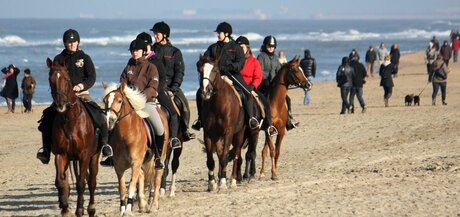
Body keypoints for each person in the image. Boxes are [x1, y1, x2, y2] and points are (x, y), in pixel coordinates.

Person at [37, 29, 109, 165]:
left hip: (82, 94)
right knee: (46, 119)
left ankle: (105, 146)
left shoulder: (85, 58)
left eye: (73, 42)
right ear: (65, 43)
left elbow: (92, 77)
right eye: (69, 42)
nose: (71, 44)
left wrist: (81, 86)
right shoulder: (58, 59)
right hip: (62, 98)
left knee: (100, 116)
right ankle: (46, 150)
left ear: (78, 43)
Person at [191, 22, 259, 131]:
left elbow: (240, 63)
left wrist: (230, 67)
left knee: (247, 92)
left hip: (233, 75)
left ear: (226, 34)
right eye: (218, 33)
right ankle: (200, 120)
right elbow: (204, 59)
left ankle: (251, 118)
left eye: (219, 33)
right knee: (199, 93)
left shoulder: (236, 48)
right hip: (216, 77)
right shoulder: (213, 47)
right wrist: (201, 64)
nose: (218, 35)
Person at [136, 32, 182, 150]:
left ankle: (174, 137)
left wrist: (156, 91)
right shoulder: (135, 61)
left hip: (157, 90)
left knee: (173, 111)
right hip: (138, 93)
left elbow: (161, 79)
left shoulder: (155, 60)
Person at [150, 21, 195, 141]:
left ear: (164, 35)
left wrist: (174, 88)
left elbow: (179, 71)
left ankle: (185, 130)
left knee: (184, 106)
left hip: (171, 87)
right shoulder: (152, 50)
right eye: (154, 34)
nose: (155, 36)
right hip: (155, 86)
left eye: (157, 34)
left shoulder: (175, 52)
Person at [236, 35, 277, 136]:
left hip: (250, 86)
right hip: (236, 86)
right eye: (238, 48)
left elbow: (258, 77)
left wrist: (253, 86)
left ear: (247, 48)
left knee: (266, 103)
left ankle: (269, 126)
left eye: (242, 48)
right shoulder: (234, 62)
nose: (240, 50)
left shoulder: (254, 61)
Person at [257, 35, 298, 130]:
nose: (271, 48)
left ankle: (288, 120)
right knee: (264, 100)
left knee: (287, 99)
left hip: (274, 84)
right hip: (263, 84)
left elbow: (279, 71)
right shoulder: (261, 56)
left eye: (272, 47)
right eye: (269, 46)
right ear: (265, 46)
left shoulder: (276, 58)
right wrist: (266, 79)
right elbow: (260, 70)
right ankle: (263, 120)